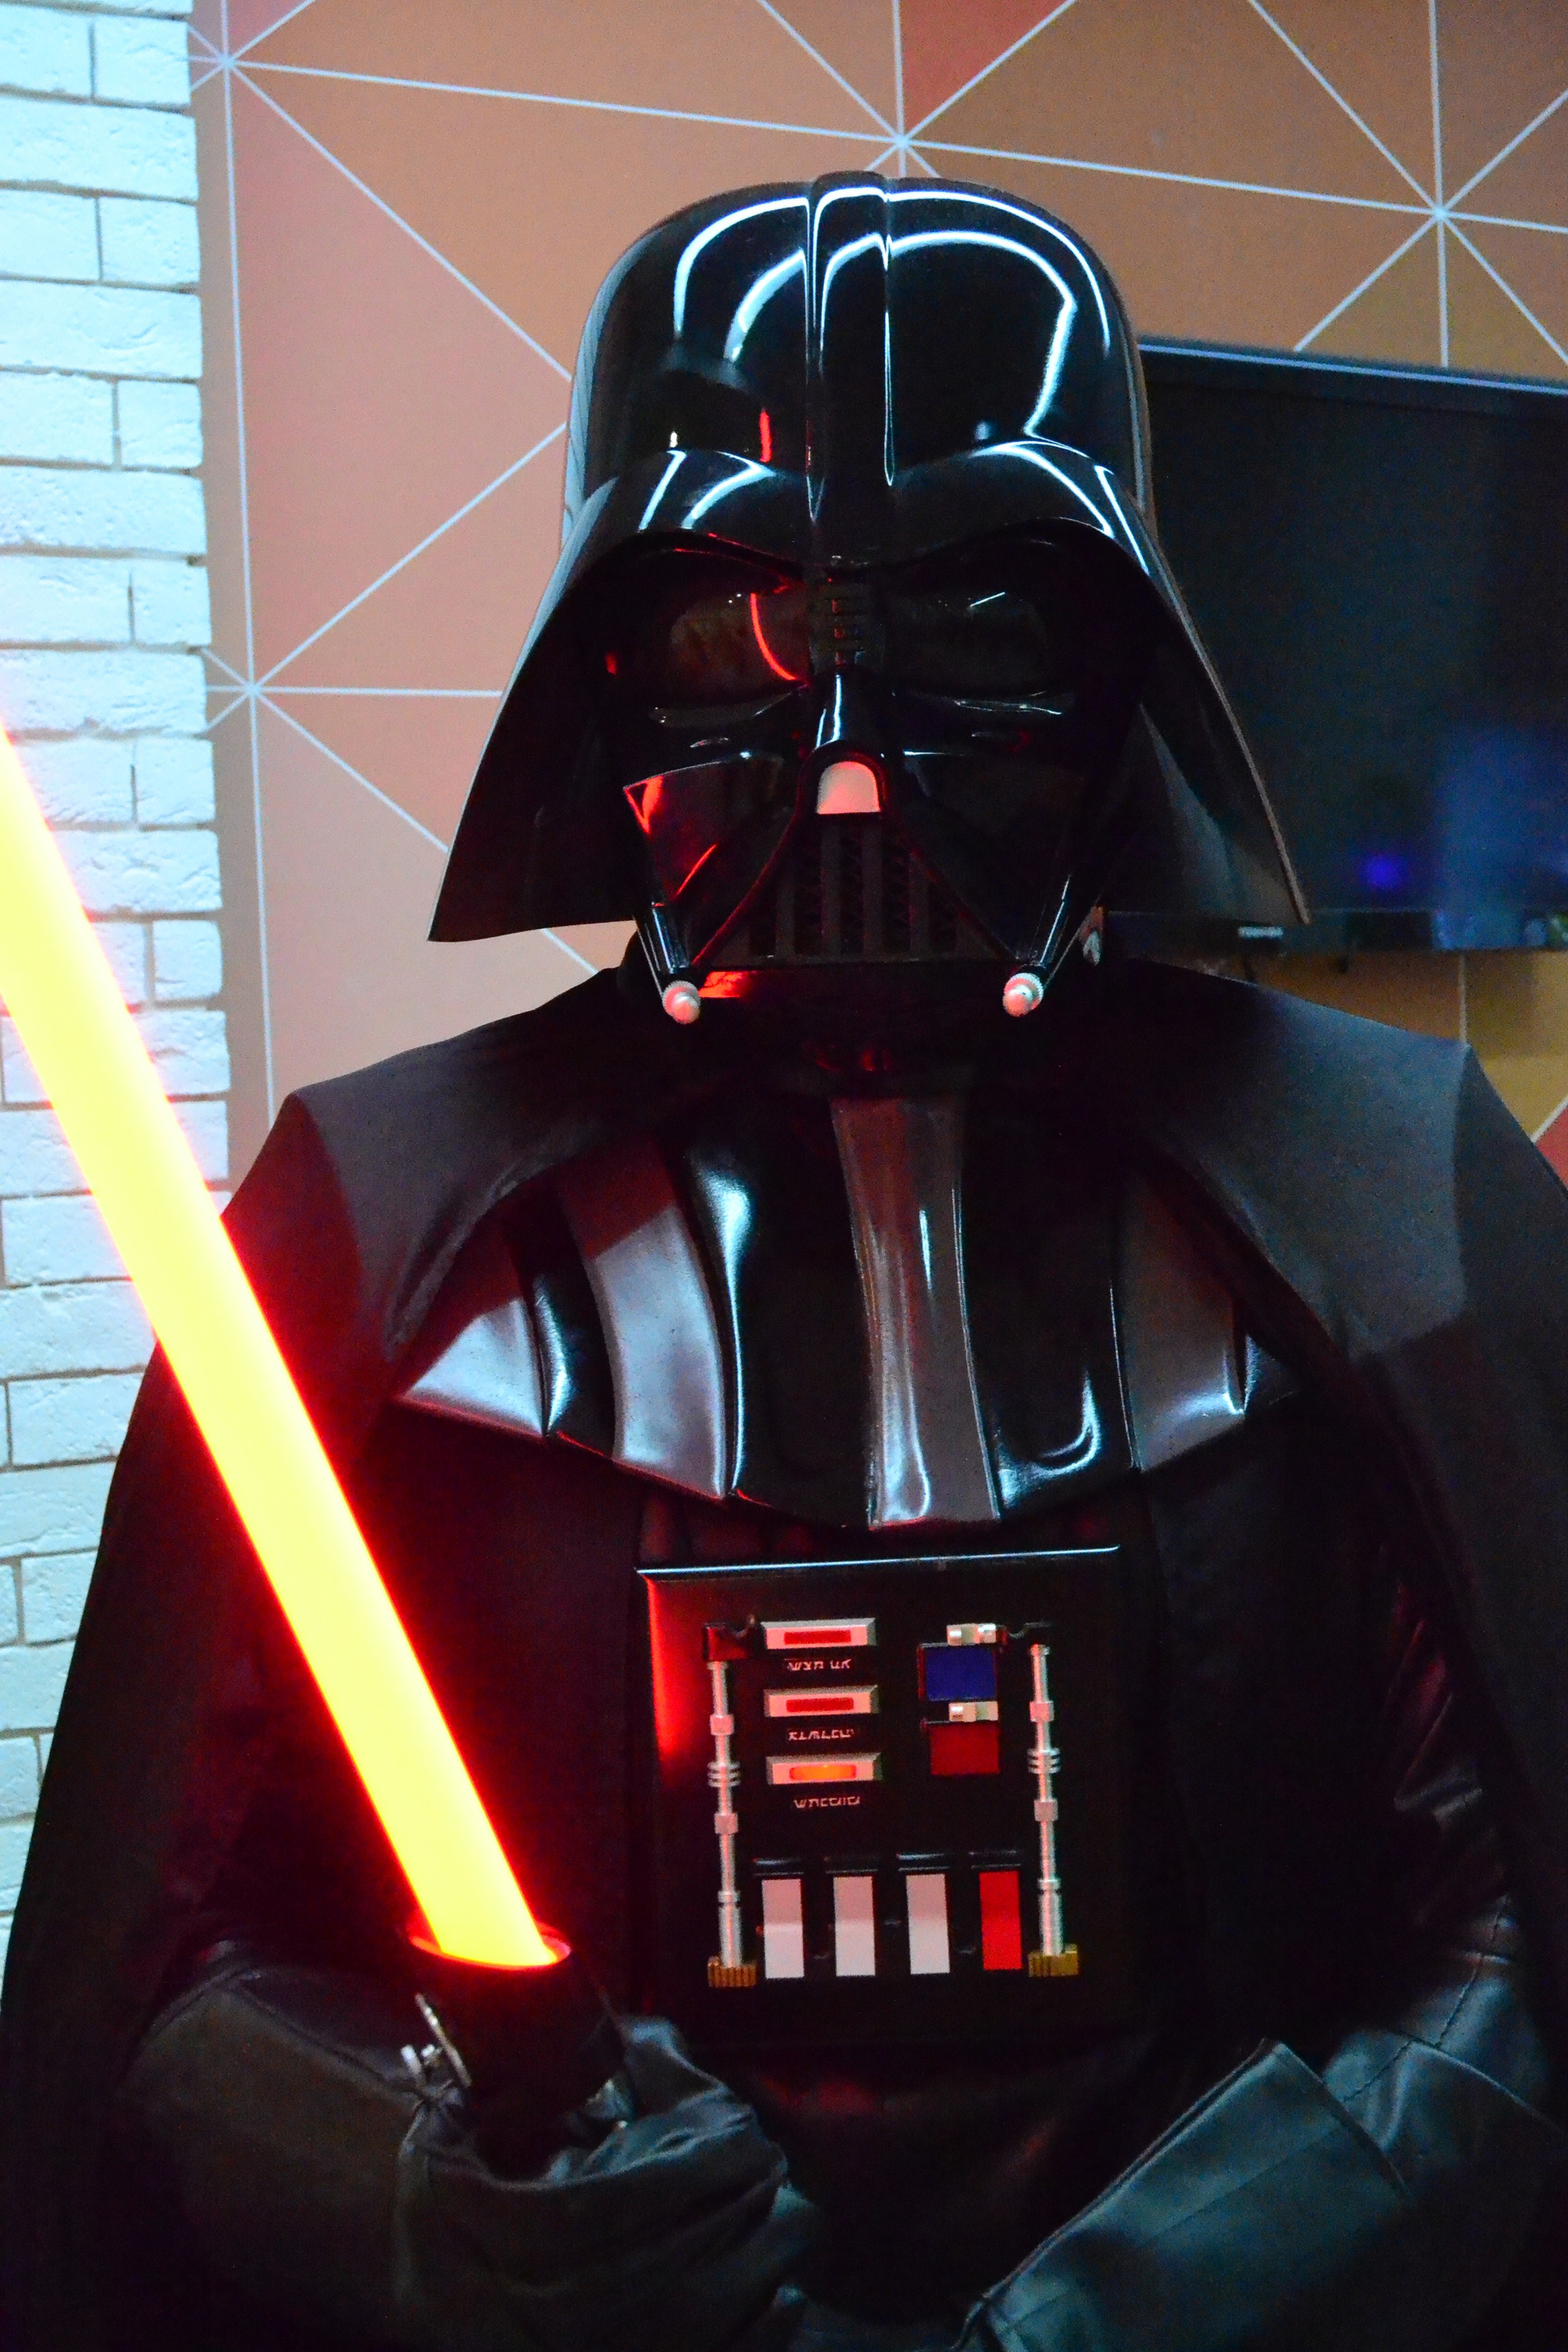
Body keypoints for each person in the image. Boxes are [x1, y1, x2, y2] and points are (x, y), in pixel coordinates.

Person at [4, 174, 1566, 2352]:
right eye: (722, 637)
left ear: (1122, 663)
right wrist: (415, 2196)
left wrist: (1135, 2310)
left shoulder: (1392, 1193)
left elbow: (1519, 1929)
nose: (844, 777)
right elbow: (174, 1959)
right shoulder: (382, 1225)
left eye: (977, 633)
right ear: (598, 679)